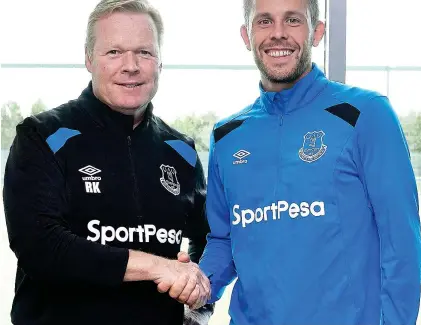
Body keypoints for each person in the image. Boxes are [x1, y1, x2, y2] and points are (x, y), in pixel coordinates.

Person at [198, 0, 421, 324]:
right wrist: (195, 286)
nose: (278, 33)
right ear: (246, 36)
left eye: (292, 20)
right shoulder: (227, 136)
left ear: (317, 32)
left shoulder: (366, 114)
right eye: (264, 21)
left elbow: (402, 242)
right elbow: (224, 240)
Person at [2, 0, 213, 324]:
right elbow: (41, 247)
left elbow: (211, 238)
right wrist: (157, 266)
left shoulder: (181, 151)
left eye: (144, 52)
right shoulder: (43, 136)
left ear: (160, 62)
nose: (131, 66)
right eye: (114, 52)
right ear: (89, 59)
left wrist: (198, 309)